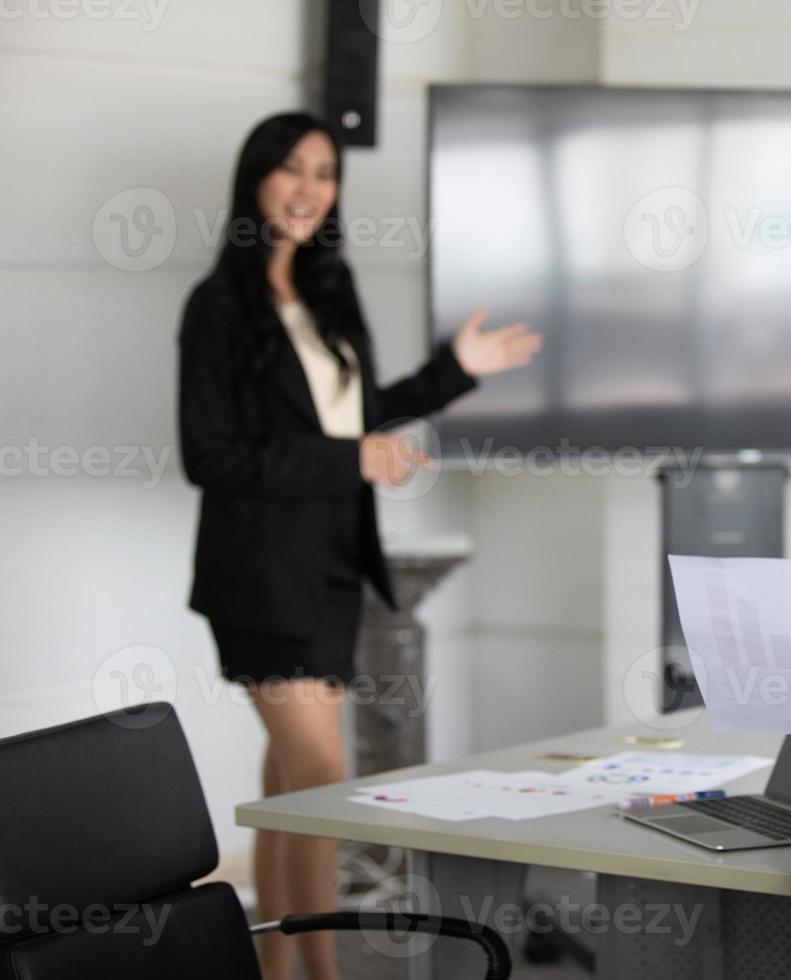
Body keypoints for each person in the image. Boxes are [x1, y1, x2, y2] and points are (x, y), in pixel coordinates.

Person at [177, 112, 541, 980]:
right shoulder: (218, 306)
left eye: (326, 174)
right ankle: (325, 974)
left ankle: (273, 971)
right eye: (292, 170)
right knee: (322, 777)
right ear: (256, 179)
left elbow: (360, 416)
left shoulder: (329, 296)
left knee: (290, 794)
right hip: (259, 577)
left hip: (333, 569)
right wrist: (352, 456)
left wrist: (456, 368)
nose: (309, 189)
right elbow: (210, 454)